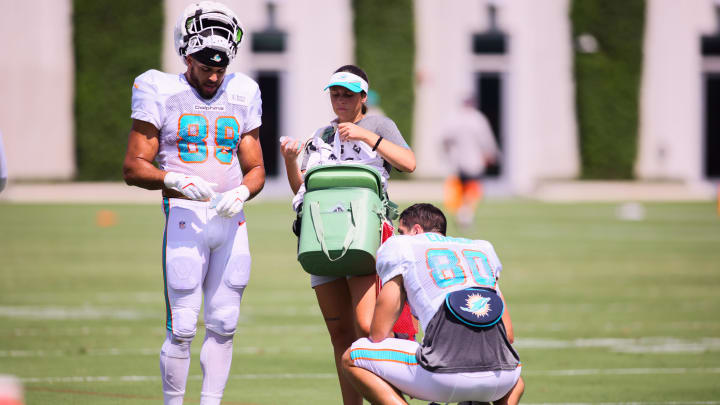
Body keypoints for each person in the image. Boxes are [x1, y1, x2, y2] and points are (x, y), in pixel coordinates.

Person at [121, 2, 265, 404]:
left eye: (220, 68)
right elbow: (133, 167)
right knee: (183, 325)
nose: (214, 76)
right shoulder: (159, 88)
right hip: (185, 216)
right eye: (205, 67)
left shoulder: (243, 90)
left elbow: (255, 168)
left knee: (225, 321)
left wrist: (242, 191)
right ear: (186, 55)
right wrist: (175, 180)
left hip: (230, 218)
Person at [280, 65, 416, 405]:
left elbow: (409, 163)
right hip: (323, 235)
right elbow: (305, 190)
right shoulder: (322, 134)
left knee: (367, 327)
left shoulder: (380, 124)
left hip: (365, 235)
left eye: (348, 94)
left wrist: (367, 136)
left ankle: (390, 397)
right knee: (339, 334)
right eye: (335, 93)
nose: (340, 99)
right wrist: (290, 162)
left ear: (363, 97)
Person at [342, 203, 525, 405]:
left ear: (416, 230)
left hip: (444, 374)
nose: (398, 236)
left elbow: (378, 334)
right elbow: (508, 333)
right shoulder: (481, 249)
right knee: (516, 381)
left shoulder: (402, 247)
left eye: (401, 231)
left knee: (352, 357)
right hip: (502, 377)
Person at [442, 97, 500, 227]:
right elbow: (486, 140)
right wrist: (491, 154)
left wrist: (447, 155)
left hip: (457, 162)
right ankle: (465, 213)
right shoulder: (478, 119)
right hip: (474, 162)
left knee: (461, 189)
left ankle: (461, 212)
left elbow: (445, 139)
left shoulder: (454, 119)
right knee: (472, 189)